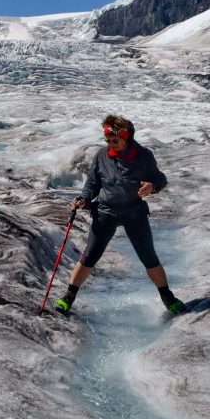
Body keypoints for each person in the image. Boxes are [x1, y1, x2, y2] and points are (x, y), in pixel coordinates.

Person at [55, 114, 185, 314]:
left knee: (149, 257)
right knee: (89, 256)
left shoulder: (144, 156)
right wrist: (84, 199)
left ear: (127, 138)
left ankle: (168, 297)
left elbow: (160, 179)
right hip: (105, 212)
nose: (110, 145)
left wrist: (152, 186)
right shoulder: (102, 155)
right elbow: (92, 183)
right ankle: (69, 296)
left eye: (115, 141)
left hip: (134, 213)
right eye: (107, 141)